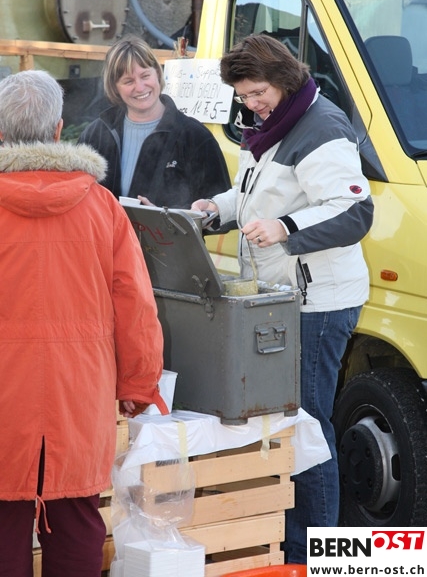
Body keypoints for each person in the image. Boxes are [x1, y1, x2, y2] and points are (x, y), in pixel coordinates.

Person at [192, 34, 374, 564]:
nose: (252, 105)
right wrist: (216, 210)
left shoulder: (322, 128)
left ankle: (314, 558)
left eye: (258, 93)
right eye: (244, 96)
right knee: (294, 426)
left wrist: (286, 227)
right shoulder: (275, 125)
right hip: (283, 298)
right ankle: (291, 547)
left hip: (318, 303)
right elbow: (255, 196)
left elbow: (353, 211)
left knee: (307, 428)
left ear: (285, 80)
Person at [0, 69, 166, 577]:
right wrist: (138, 384)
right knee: (76, 520)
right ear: (58, 129)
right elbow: (135, 305)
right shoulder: (101, 206)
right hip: (80, 393)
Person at [78, 35, 231, 207]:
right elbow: (77, 200)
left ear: (157, 73)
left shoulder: (195, 137)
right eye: (128, 81)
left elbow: (218, 212)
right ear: (114, 87)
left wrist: (162, 218)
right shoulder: (95, 136)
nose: (140, 87)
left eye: (145, 76)